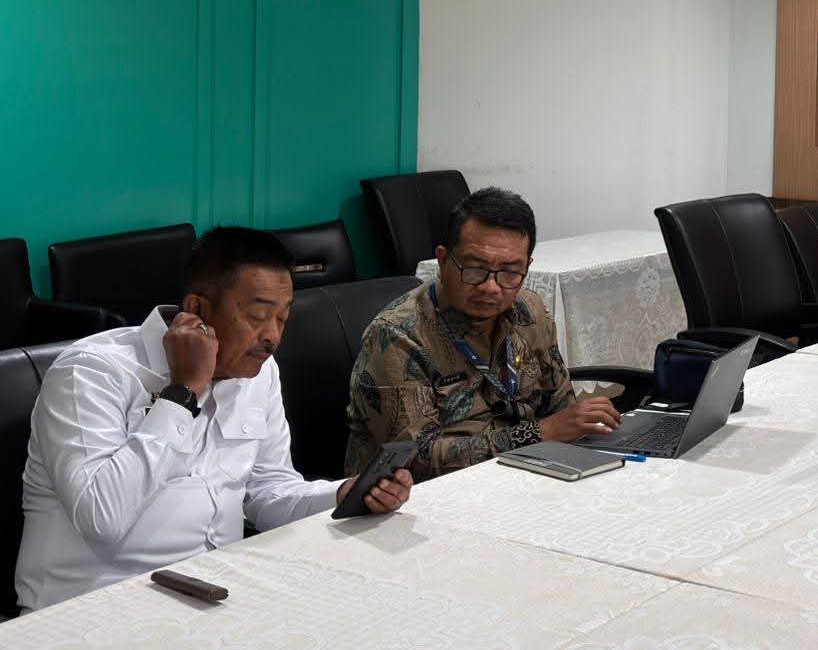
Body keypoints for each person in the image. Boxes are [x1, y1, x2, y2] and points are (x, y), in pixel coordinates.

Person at [14, 226, 412, 611]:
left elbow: (267, 492)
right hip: (91, 607)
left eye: (282, 318)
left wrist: (342, 495)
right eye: (258, 316)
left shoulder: (258, 373)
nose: (273, 337)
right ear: (198, 310)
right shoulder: (91, 372)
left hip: (214, 594)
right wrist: (183, 392)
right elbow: (101, 517)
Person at [346, 187, 621, 480]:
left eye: (510, 272)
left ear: (527, 267)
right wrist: (538, 434)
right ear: (442, 260)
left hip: (526, 473)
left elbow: (560, 406)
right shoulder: (397, 336)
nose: (491, 287)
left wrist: (578, 423)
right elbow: (414, 458)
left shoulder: (530, 311)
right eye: (475, 269)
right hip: (427, 494)